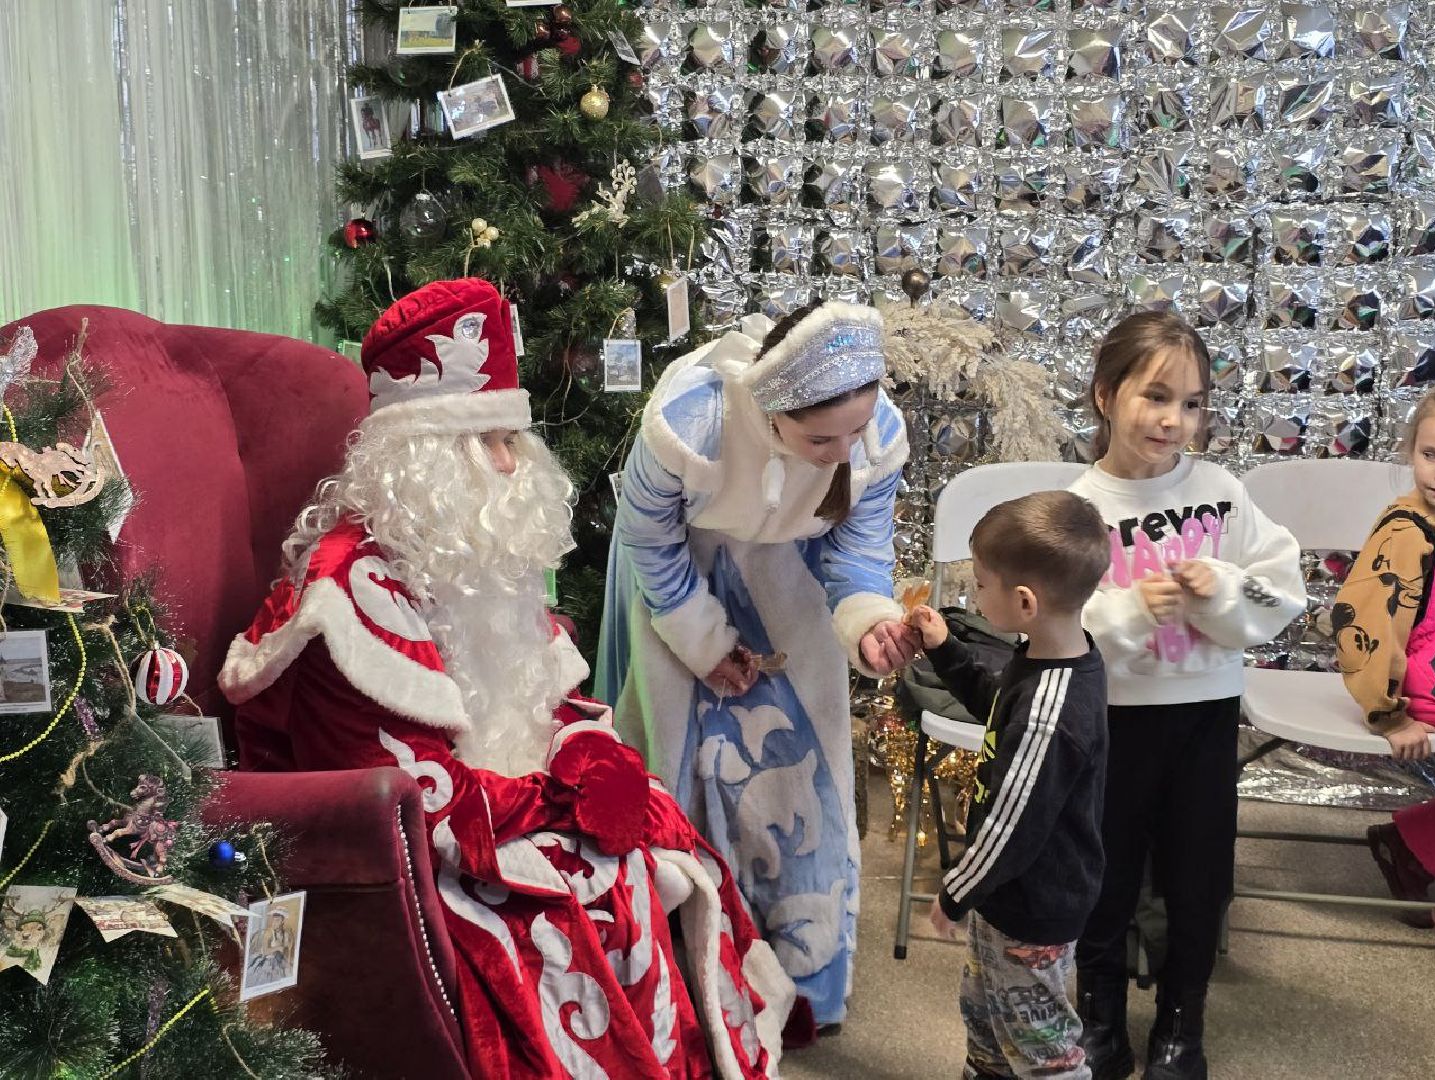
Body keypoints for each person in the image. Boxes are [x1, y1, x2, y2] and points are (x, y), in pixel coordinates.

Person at [219, 278, 794, 1079]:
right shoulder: (350, 590)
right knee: (580, 907)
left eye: (512, 439)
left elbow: (554, 694)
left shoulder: (474, 556)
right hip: (429, 852)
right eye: (484, 440)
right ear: (414, 458)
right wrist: (568, 802)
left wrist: (591, 755)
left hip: (516, 799)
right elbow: (412, 794)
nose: (507, 465)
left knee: (663, 835)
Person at [597, 300, 916, 1027]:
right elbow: (649, 539)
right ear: (770, 411)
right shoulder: (692, 421)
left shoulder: (875, 437)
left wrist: (869, 623)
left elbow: (859, 551)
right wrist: (704, 644)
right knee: (676, 760)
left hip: (796, 574)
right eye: (820, 438)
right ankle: (681, 975)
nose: (842, 452)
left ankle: (801, 974)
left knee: (806, 770)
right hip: (679, 575)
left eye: (855, 432)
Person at [1067, 311, 1306, 1080]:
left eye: (1193, 403)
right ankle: (1099, 1017)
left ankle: (1181, 1020)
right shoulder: (1078, 507)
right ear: (1106, 394)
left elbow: (1281, 591)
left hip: (1204, 716)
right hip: (1112, 720)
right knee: (1104, 872)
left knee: (1197, 875)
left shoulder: (1221, 494)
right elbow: (1058, 629)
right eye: (1156, 396)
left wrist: (1224, 587)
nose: (1174, 419)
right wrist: (1133, 610)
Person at [909, 491, 1111, 1080]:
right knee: (988, 1019)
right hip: (1007, 897)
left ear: (1024, 601)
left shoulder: (1052, 710)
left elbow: (1010, 825)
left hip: (1029, 906)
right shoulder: (1047, 657)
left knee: (1042, 1050)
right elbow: (999, 709)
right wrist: (947, 651)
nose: (973, 596)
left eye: (979, 584)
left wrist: (956, 891)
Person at [1331, 386, 1435, 930]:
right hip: (1418, 685)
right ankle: (1413, 845)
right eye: (1430, 454)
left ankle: (1413, 842)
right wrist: (1389, 714)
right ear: (1411, 450)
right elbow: (1367, 627)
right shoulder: (1406, 530)